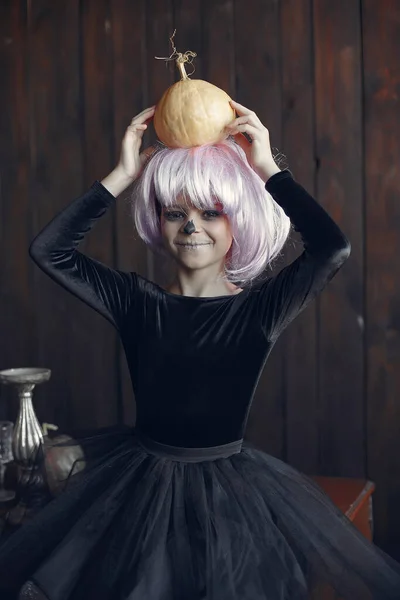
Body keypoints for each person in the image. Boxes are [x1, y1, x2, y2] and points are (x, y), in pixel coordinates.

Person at [0, 101, 399, 600]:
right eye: (176, 213)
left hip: (228, 493)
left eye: (212, 212)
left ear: (238, 222)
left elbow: (331, 248)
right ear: (158, 221)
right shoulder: (135, 302)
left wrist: (269, 170)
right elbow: (50, 251)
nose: (192, 226)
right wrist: (122, 174)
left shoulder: (261, 310)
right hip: (136, 484)